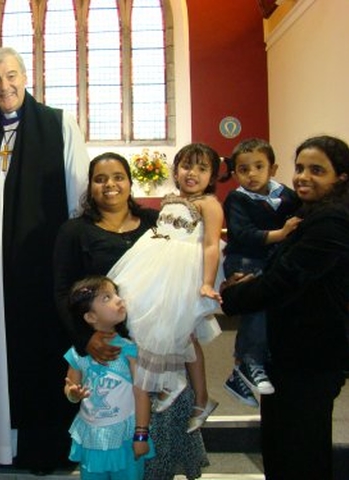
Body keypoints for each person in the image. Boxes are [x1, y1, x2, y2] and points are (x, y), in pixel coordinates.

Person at [0, 46, 90, 473]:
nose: (4, 86)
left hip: (40, 265)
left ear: (25, 75)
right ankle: (0, 445)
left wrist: (74, 257)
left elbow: (79, 194)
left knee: (39, 351)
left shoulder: (57, 124)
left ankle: (41, 447)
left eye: (11, 76)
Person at [54, 152, 209, 480]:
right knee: (116, 440)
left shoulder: (157, 222)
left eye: (117, 177)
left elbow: (190, 259)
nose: (110, 184)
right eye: (100, 179)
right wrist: (87, 338)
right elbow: (62, 291)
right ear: (90, 187)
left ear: (129, 181)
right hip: (111, 351)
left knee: (160, 434)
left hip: (159, 342)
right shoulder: (74, 231)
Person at [221, 135, 349, 480]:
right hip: (290, 352)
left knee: (301, 451)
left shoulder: (333, 221)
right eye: (301, 168)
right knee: (282, 445)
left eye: (317, 170)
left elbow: (287, 279)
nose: (303, 176)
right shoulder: (307, 212)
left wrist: (232, 297)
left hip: (312, 354)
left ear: (341, 177)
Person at [107, 143, 223, 433]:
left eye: (201, 168)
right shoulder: (171, 199)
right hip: (156, 267)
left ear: (213, 176)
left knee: (185, 333)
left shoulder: (209, 204)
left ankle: (198, 397)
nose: (192, 173)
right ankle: (171, 381)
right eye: (186, 166)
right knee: (152, 325)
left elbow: (210, 245)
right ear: (175, 170)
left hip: (184, 273)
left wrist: (208, 282)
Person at [219, 138, 301, 407]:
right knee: (257, 306)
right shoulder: (237, 199)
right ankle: (248, 360)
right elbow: (242, 234)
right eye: (243, 169)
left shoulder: (287, 196)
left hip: (273, 260)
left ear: (273, 168)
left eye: (258, 166)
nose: (251, 174)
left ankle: (240, 375)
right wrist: (281, 233)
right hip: (245, 261)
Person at [64, 275, 154, 480]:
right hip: (92, 438)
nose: (118, 300)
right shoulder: (78, 353)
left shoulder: (130, 349)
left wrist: (141, 434)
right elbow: (70, 387)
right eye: (106, 298)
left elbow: (142, 394)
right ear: (90, 317)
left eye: (115, 294)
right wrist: (73, 394)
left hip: (125, 437)